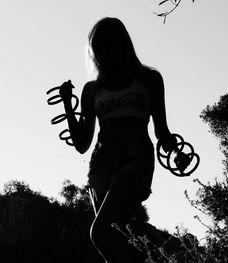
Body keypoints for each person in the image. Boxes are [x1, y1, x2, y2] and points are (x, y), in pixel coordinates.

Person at [59, 17, 176, 263]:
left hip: (136, 160)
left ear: (121, 44)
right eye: (98, 47)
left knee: (100, 233)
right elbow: (82, 144)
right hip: (101, 167)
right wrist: (69, 106)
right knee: (114, 240)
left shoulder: (150, 80)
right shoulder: (92, 90)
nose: (103, 53)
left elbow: (161, 130)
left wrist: (174, 149)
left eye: (108, 45)